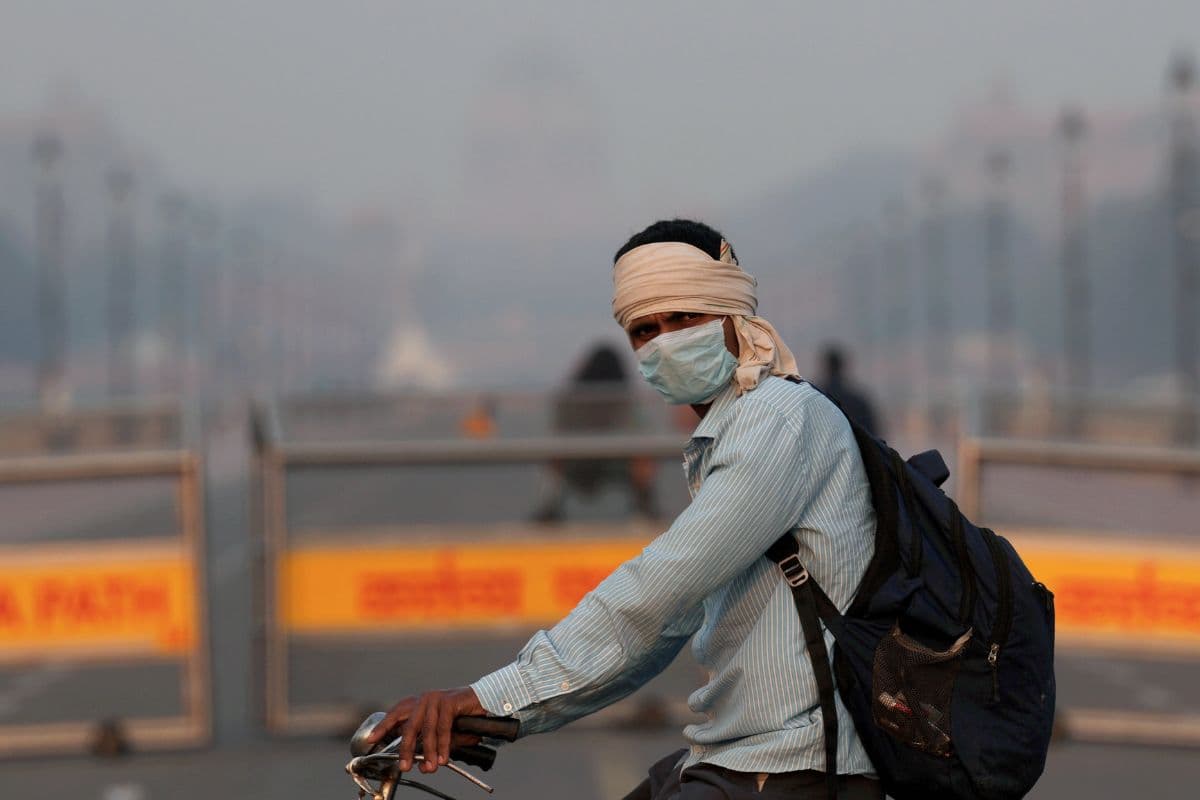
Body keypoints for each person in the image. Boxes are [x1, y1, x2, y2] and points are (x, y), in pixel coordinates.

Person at [365, 219, 882, 799]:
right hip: (735, 755)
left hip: (799, 766)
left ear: (732, 314)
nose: (664, 342)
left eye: (684, 318)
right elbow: (659, 633)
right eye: (644, 329)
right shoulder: (729, 429)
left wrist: (492, 695)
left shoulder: (778, 423)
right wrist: (504, 715)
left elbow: (656, 595)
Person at [530, 342, 659, 523]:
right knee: (641, 458)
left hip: (578, 463)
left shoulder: (568, 401)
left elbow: (556, 436)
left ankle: (548, 510)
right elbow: (640, 434)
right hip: (606, 463)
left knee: (555, 458)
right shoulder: (624, 401)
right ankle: (645, 509)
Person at [815, 344, 883, 437]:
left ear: (825, 367)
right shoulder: (859, 402)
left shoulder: (814, 401)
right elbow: (875, 438)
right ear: (842, 367)